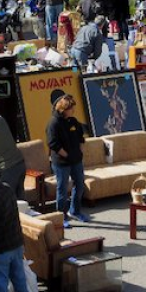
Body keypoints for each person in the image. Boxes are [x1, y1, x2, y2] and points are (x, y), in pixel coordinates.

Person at [46, 94, 88, 229]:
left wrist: (80, 152)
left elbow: (81, 138)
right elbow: (53, 144)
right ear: (63, 109)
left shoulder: (73, 121)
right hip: (61, 163)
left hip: (76, 160)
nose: (73, 111)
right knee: (62, 189)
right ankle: (61, 217)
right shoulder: (53, 123)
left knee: (80, 185)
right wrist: (67, 155)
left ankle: (74, 211)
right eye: (71, 109)